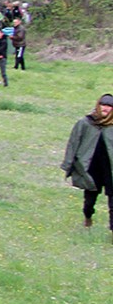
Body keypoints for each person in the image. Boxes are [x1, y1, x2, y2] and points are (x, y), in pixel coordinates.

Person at [62, 94, 113, 237]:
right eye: (103, 105)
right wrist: (68, 164)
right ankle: (88, 217)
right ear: (98, 105)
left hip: (110, 169)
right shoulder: (86, 123)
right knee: (89, 203)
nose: (105, 109)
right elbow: (73, 143)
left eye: (109, 106)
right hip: (91, 168)